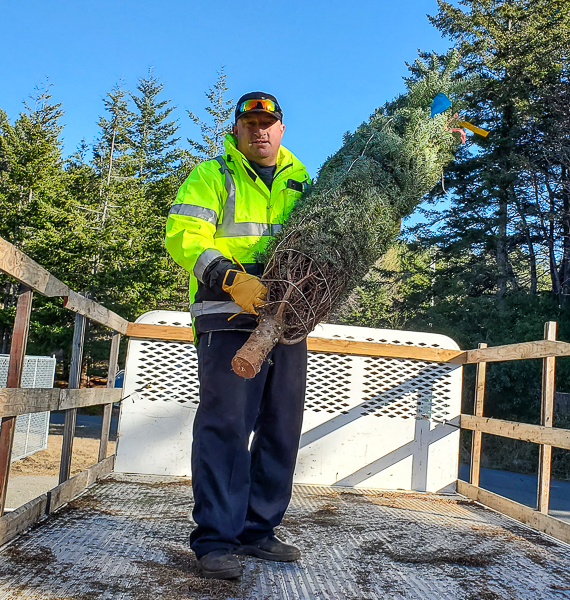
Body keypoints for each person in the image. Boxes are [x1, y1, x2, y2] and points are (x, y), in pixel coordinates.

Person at [165, 92, 310, 580]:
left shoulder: (304, 182)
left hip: (288, 321)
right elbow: (184, 237)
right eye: (250, 123)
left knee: (281, 424)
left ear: (281, 129)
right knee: (227, 424)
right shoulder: (211, 176)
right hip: (225, 316)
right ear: (236, 129)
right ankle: (215, 540)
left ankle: (257, 531)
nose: (259, 131)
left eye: (268, 123)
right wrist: (229, 276)